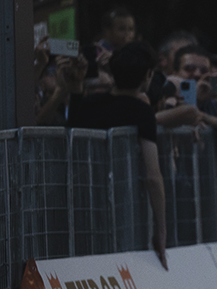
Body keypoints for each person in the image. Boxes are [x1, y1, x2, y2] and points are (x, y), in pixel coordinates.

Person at [67, 42, 168, 269]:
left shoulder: (88, 104)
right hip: (121, 208)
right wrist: (161, 230)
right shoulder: (141, 112)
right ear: (147, 76)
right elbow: (153, 176)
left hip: (80, 200)